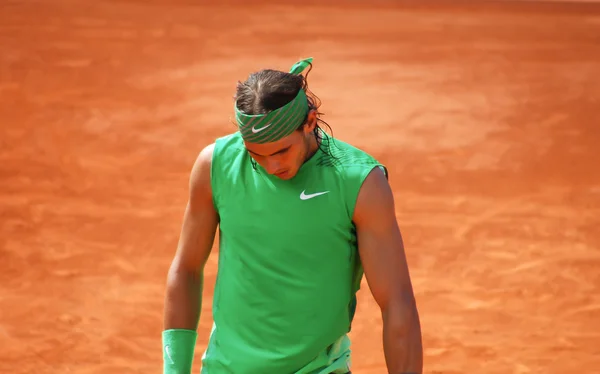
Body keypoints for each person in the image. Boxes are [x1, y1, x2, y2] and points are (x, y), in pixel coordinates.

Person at [162, 57, 423, 374]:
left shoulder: (360, 182)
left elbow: (397, 301)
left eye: (282, 151)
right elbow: (186, 269)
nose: (272, 166)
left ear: (310, 121)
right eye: (257, 154)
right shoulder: (215, 166)